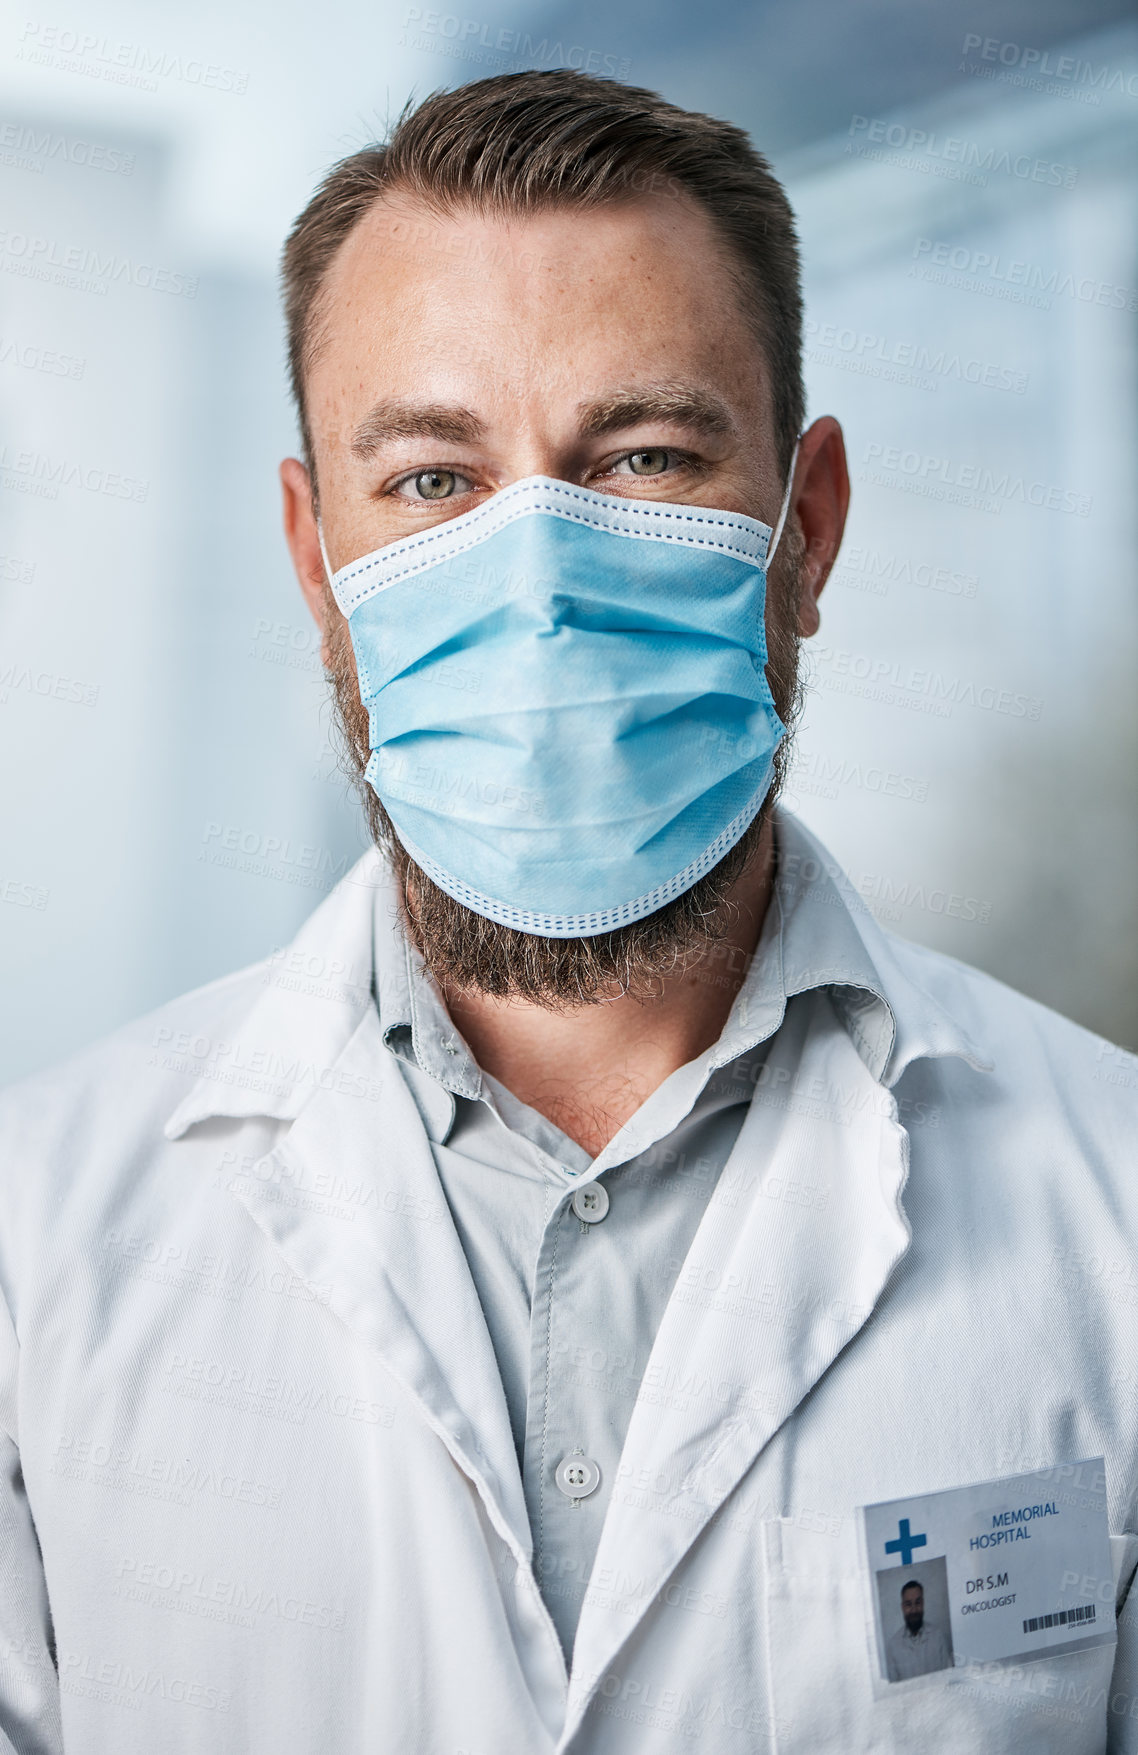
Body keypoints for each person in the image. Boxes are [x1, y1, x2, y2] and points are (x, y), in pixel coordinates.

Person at [1, 67, 1136, 1755]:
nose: (533, 584)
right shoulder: (36, 1244)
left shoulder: (1110, 1205)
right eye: (434, 482)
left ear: (803, 529)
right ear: (317, 559)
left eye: (645, 454)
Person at [885, 1580, 953, 1682]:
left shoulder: (938, 1636)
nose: (914, 1609)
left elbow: (950, 1678)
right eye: (908, 1604)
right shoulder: (893, 1646)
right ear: (902, 1607)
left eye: (918, 1602)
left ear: (923, 1603)